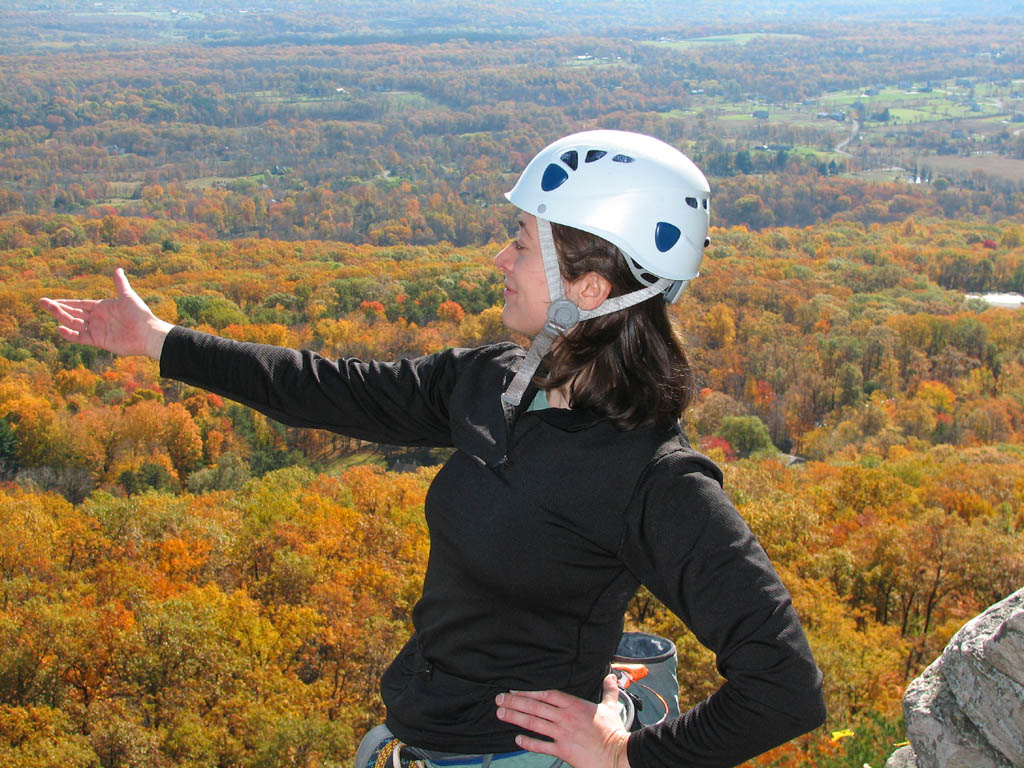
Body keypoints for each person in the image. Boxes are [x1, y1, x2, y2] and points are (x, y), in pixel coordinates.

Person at [40, 130, 826, 768]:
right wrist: (160, 342)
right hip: (426, 742)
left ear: (589, 288)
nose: (500, 259)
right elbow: (326, 388)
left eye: (522, 242)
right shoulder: (494, 382)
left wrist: (628, 757)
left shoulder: (651, 475)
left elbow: (784, 684)